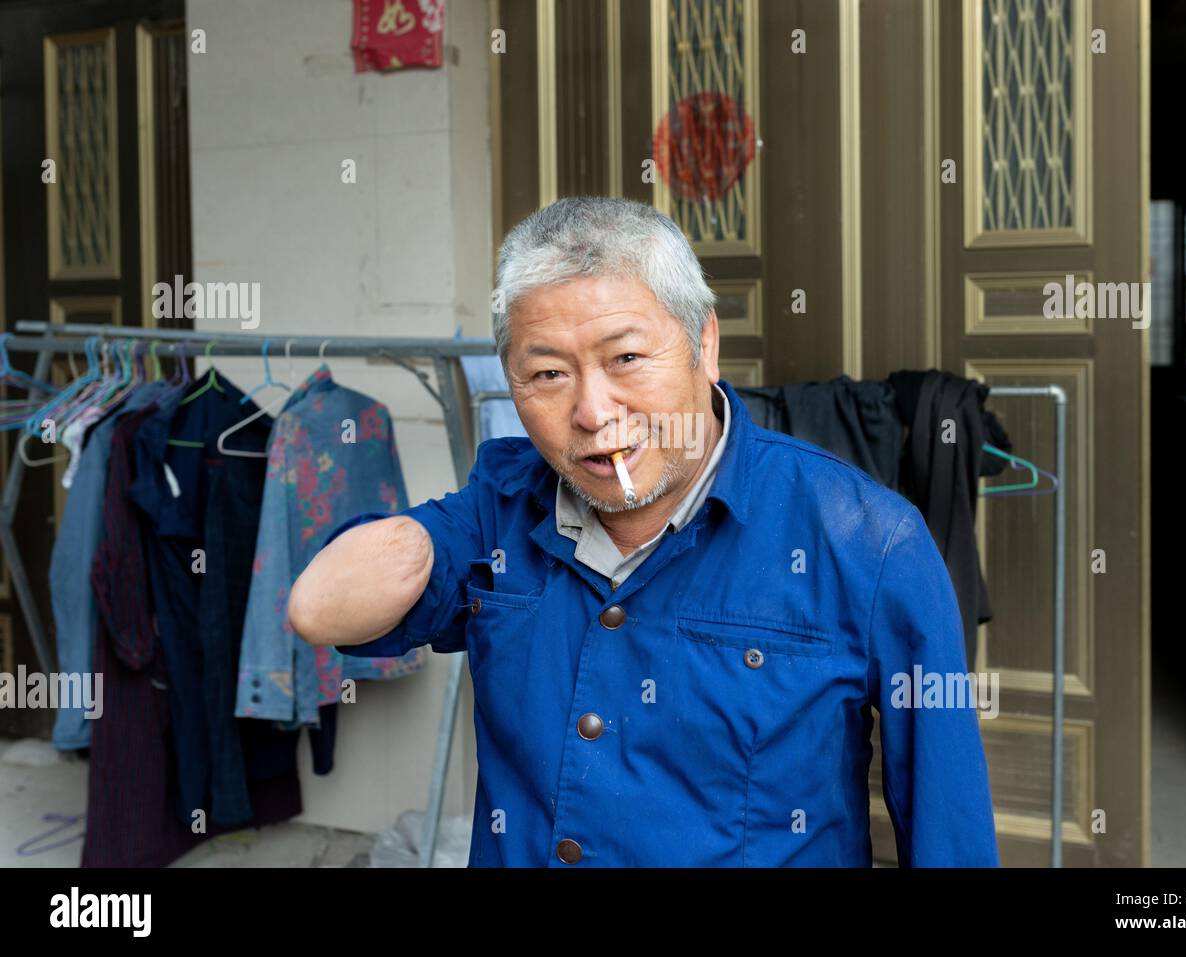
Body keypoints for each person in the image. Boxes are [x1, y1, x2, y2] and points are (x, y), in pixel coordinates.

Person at [288, 196, 999, 867]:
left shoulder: (867, 540)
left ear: (705, 343)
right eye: (546, 374)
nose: (594, 411)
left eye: (626, 358)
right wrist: (429, 531)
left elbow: (949, 831)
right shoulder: (500, 514)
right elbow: (317, 610)